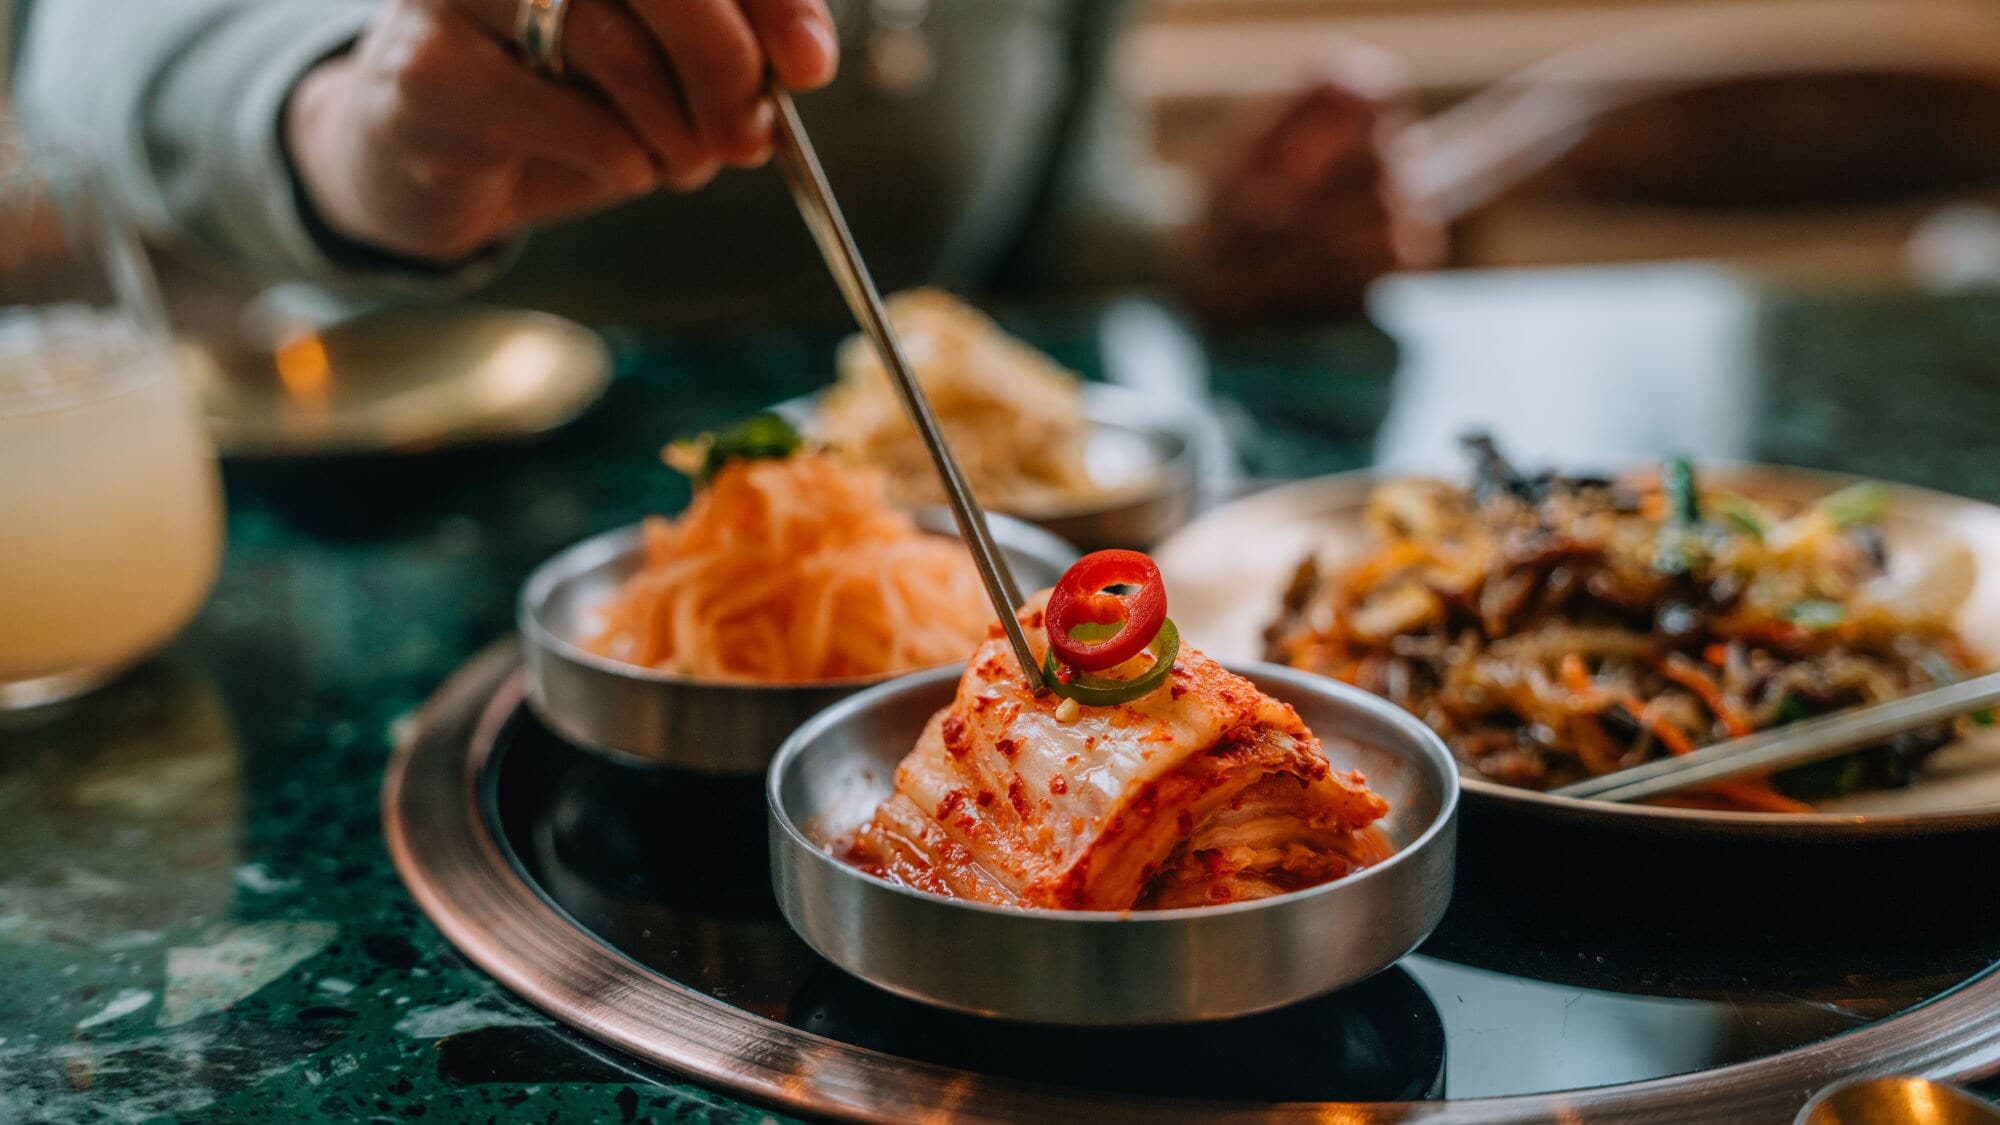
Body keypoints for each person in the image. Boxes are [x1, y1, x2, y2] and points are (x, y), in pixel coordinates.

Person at [8, 0, 1428, 326]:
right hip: (381, 549)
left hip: (907, 606)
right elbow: (88, 50)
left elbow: (1039, 199)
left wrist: (1201, 249)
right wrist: (355, 127)